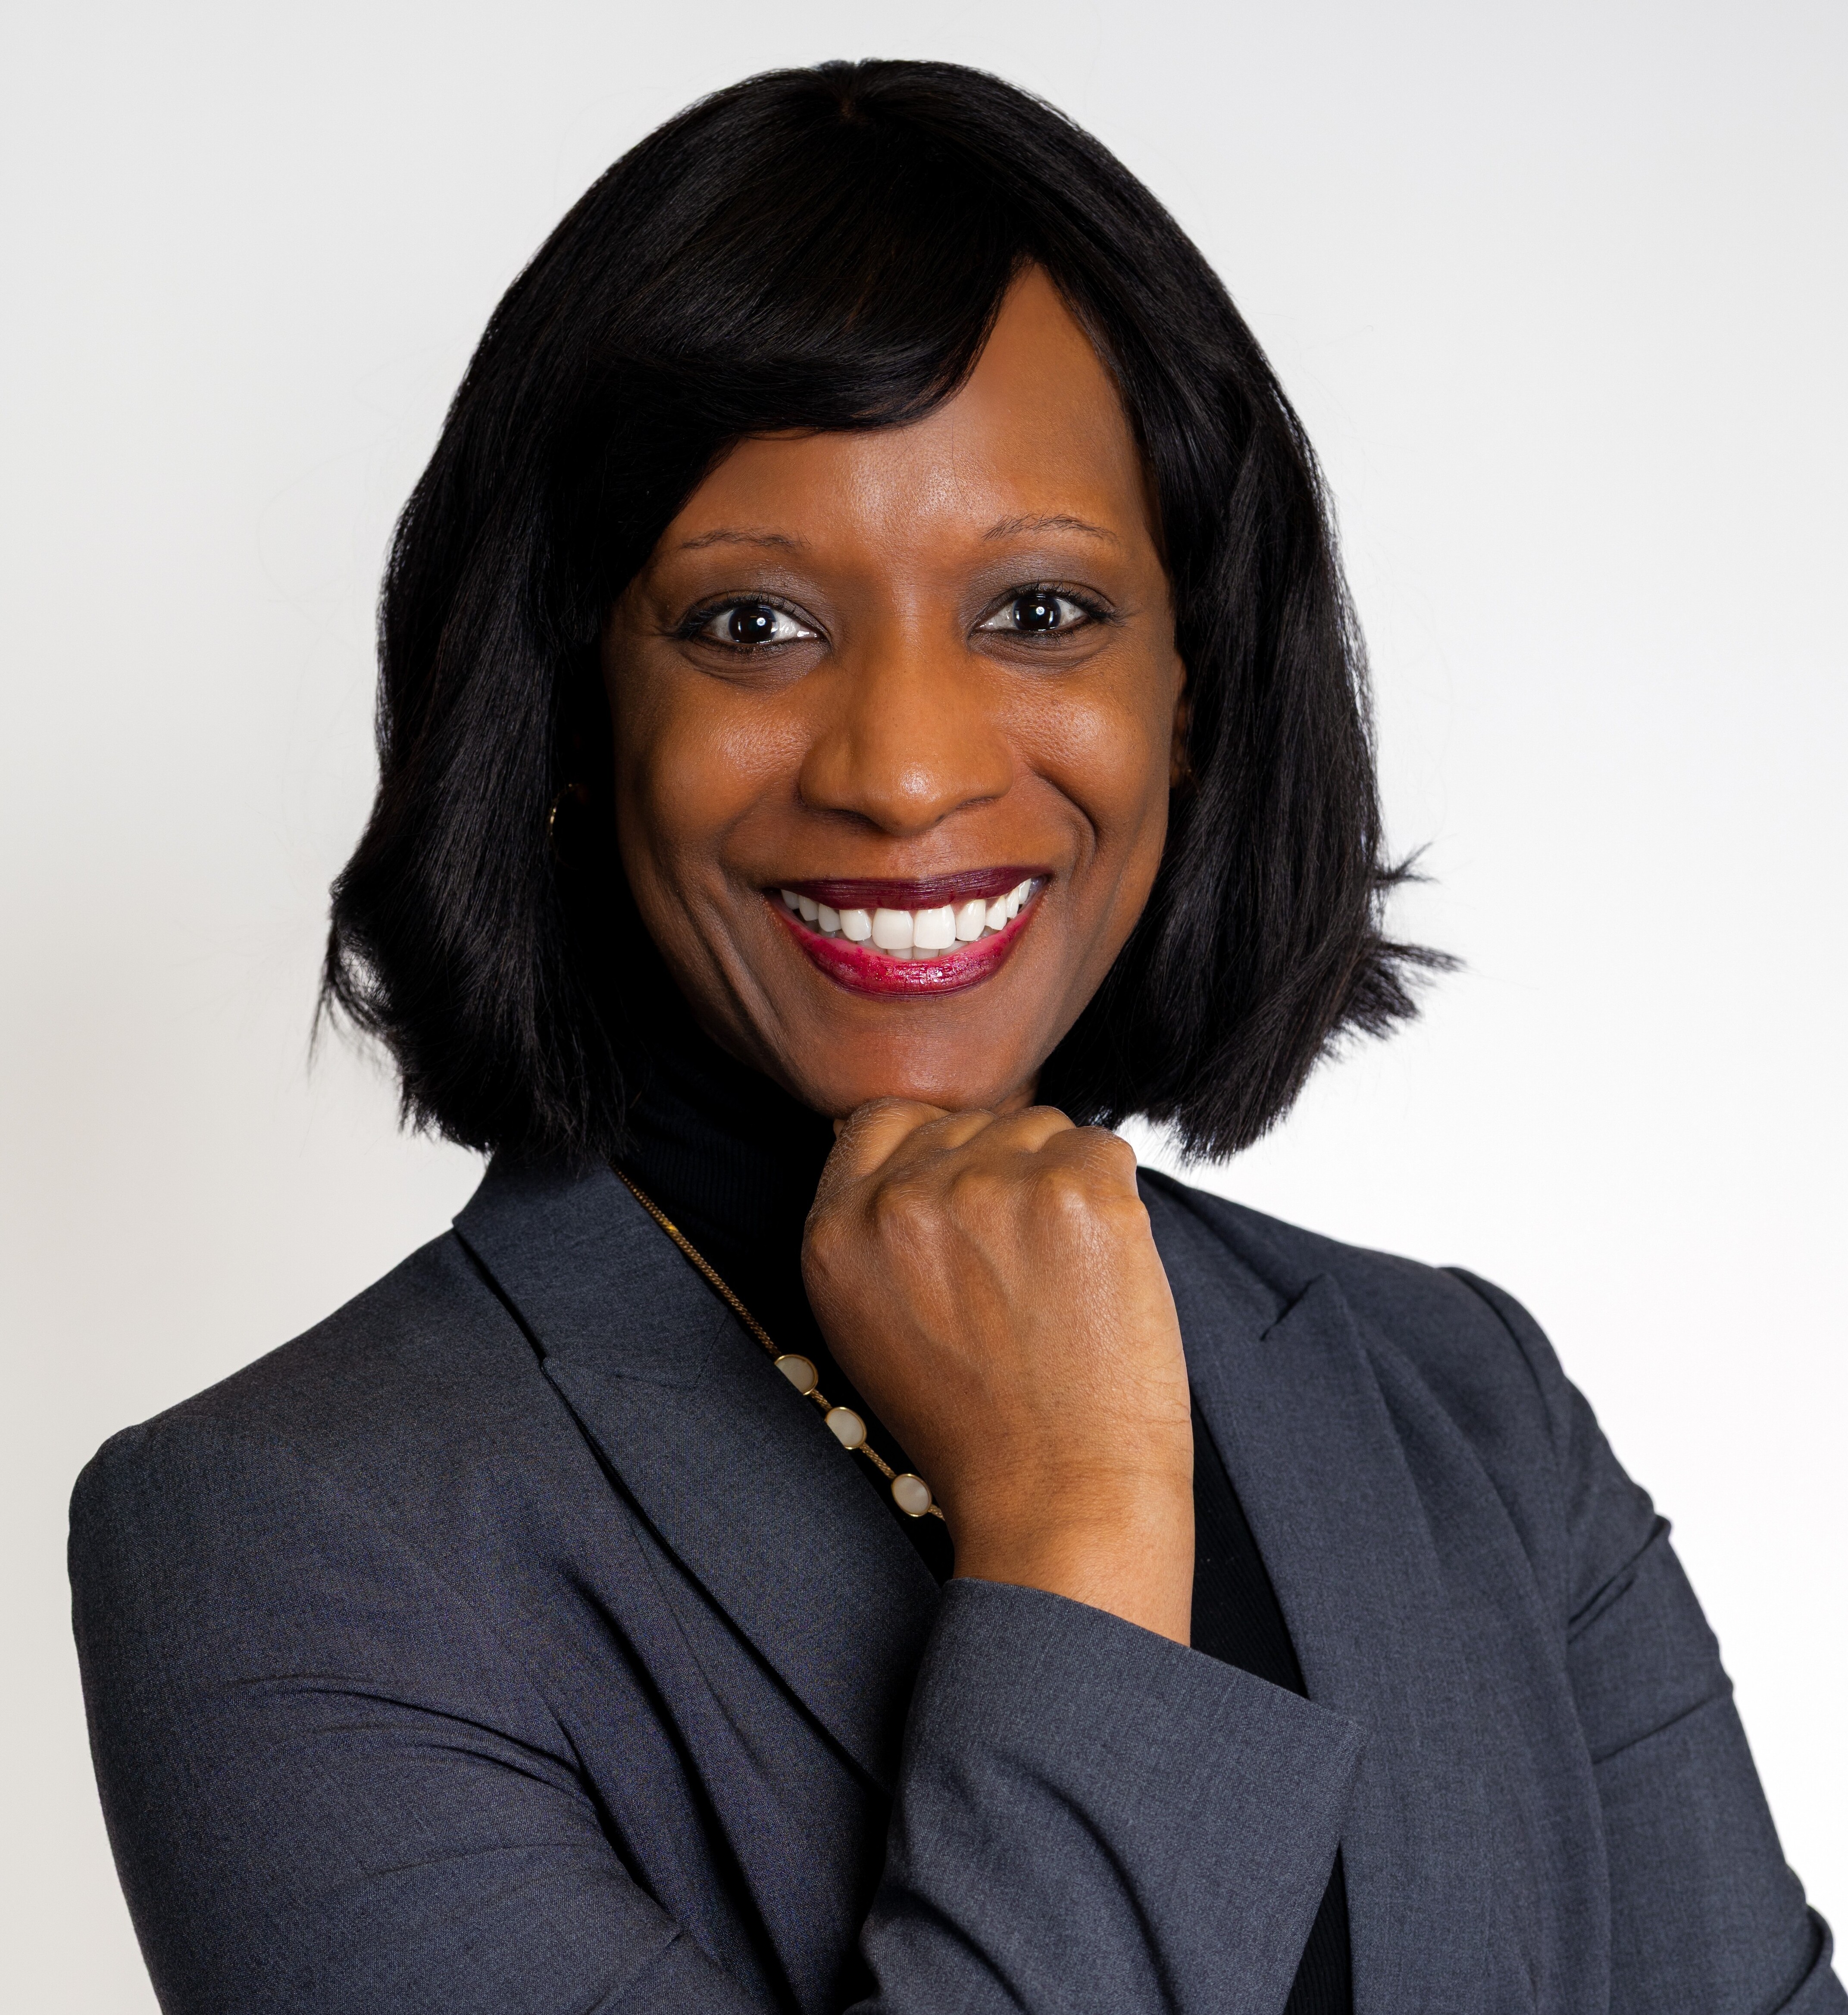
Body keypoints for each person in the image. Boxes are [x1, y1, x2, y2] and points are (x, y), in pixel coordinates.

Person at [69, 58, 1841, 2015]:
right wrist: (1081, 1512)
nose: (906, 772)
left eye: (1040, 607)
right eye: (752, 626)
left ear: (1196, 687)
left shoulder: (1461, 1406)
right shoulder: (288, 1538)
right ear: (564, 706)